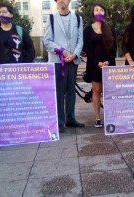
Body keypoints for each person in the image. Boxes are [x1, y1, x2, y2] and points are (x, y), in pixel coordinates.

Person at [43, 0, 85, 132]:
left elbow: (80, 40)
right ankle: (59, 121)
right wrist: (62, 50)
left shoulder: (78, 18)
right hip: (57, 60)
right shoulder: (51, 18)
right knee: (59, 92)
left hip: (72, 60)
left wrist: (75, 54)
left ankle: (70, 119)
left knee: (71, 91)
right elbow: (47, 41)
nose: (62, 0)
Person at [83, 3, 117, 128]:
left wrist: (107, 62)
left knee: (108, 91)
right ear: (93, 12)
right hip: (94, 65)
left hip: (108, 65)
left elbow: (114, 48)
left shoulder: (110, 28)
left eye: (101, 10)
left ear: (104, 13)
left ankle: (110, 115)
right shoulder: (87, 29)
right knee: (96, 91)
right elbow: (87, 49)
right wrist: (97, 62)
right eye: (96, 10)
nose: (99, 12)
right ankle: (98, 118)